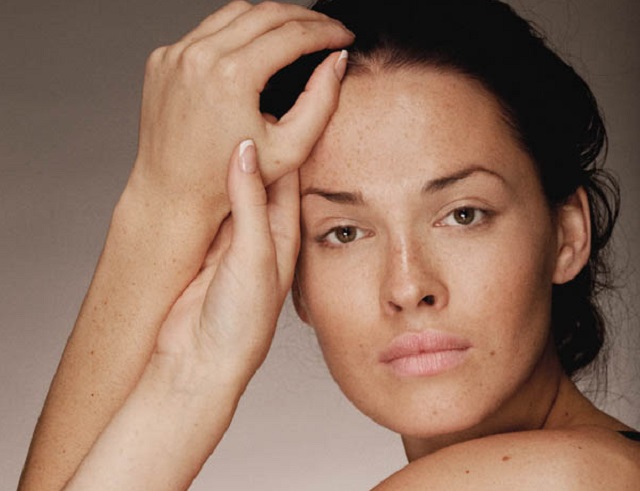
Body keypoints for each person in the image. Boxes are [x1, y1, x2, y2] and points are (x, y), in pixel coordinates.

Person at [19, 0, 639, 489]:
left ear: (567, 234)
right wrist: (194, 365)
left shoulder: (557, 478)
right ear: (294, 277)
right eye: (344, 232)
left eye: (462, 214)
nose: (407, 286)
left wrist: (163, 205)